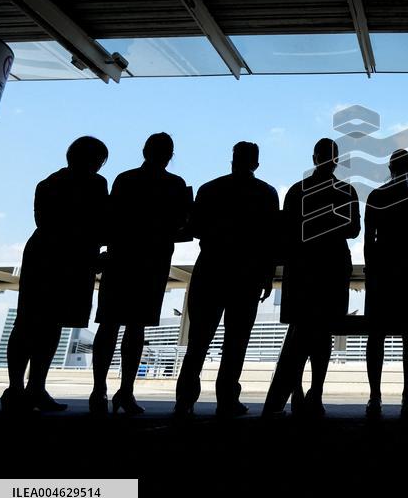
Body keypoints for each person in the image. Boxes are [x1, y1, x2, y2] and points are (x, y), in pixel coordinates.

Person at [3, 136, 109, 413]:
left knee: (29, 322)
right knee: (50, 325)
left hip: (44, 256)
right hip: (72, 259)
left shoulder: (49, 183)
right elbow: (100, 224)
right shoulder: (97, 184)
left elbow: (47, 223)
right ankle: (34, 387)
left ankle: (17, 389)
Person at [174, 142, 278, 417]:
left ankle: (185, 399)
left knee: (198, 340)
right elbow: (270, 240)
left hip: (211, 267)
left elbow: (194, 228)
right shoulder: (266, 193)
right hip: (247, 273)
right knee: (236, 341)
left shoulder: (209, 189)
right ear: (256, 163)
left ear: (232, 160)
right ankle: (227, 398)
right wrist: (267, 275)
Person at [90, 133, 190, 415]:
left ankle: (99, 390)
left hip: (121, 258)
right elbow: (182, 225)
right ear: (170, 155)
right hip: (153, 261)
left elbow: (110, 218)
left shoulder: (125, 179)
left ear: (145, 151)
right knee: (136, 328)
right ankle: (126, 391)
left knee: (108, 325)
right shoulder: (176, 185)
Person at [263, 138, 360, 418]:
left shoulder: (297, 191)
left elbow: (286, 233)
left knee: (299, 333)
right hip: (333, 267)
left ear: (314, 157)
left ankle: (296, 392)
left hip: (302, 268)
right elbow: (353, 229)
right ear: (336, 160)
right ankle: (316, 393)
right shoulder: (346, 191)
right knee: (323, 335)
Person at [363, 149, 408, 418]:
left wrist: (372, 272)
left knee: (376, 335)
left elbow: (369, 241)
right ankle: (407, 395)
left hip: (381, 274)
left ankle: (375, 396)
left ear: (389, 168)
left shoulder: (376, 197)